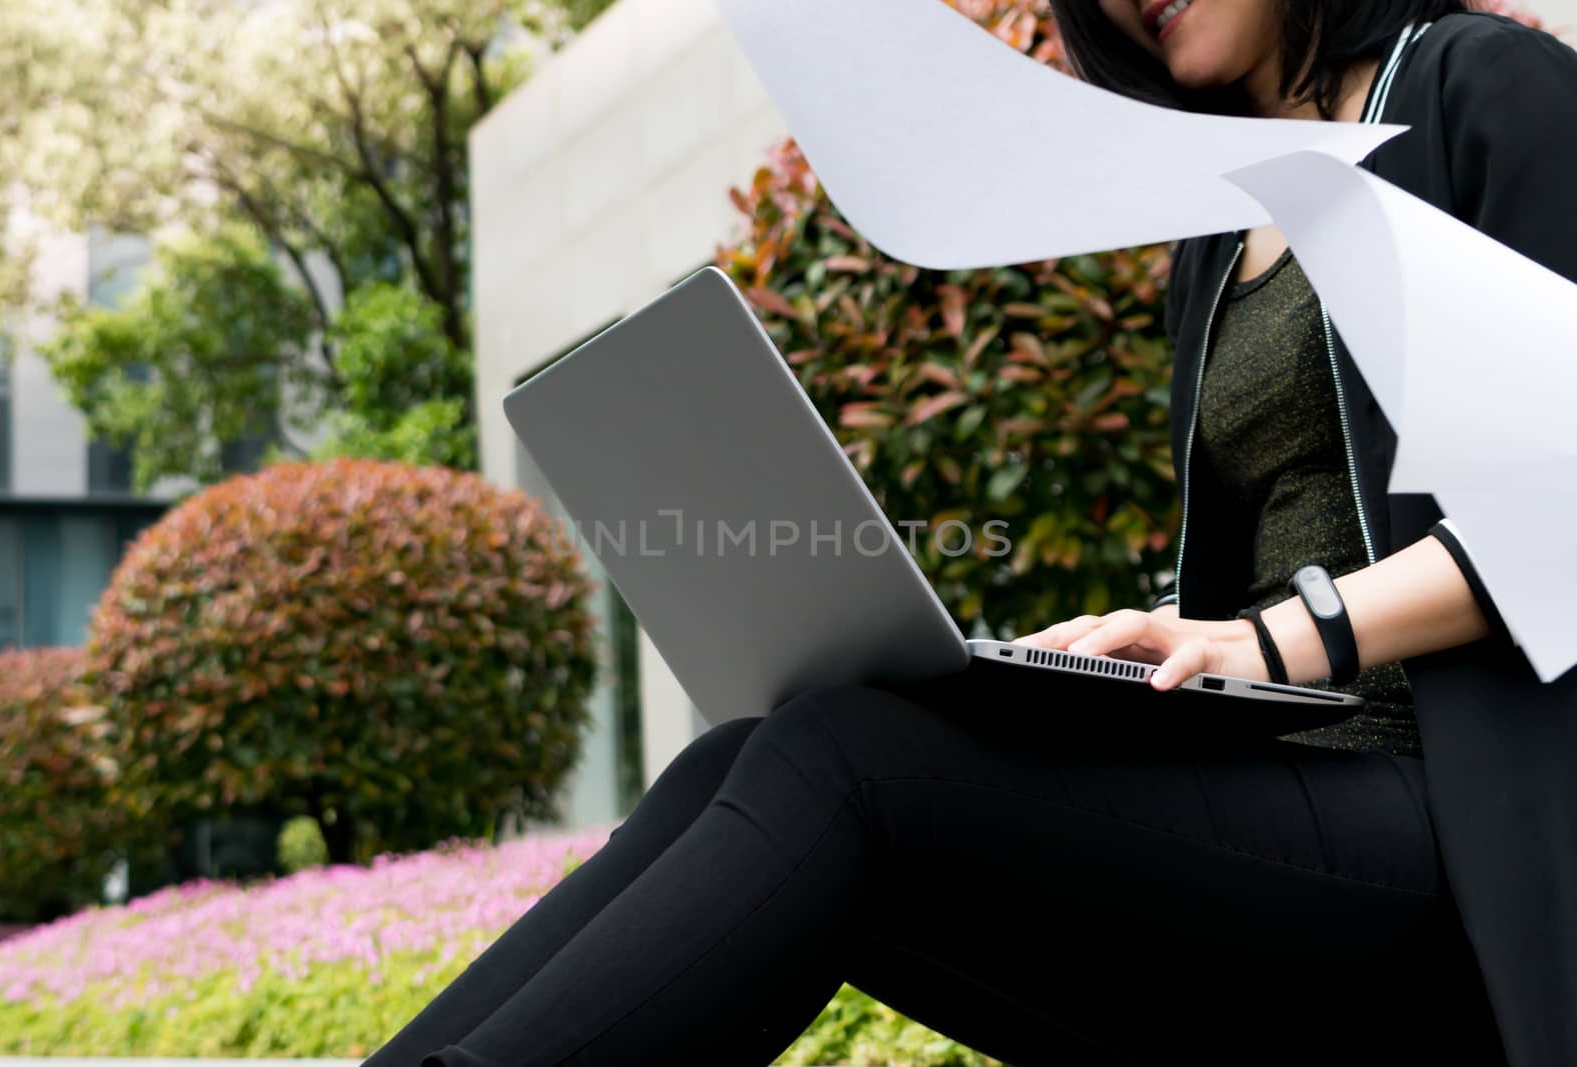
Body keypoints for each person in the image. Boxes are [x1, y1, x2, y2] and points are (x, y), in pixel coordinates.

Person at [362, 3, 1577, 1064]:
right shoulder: (1219, 229)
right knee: (736, 754)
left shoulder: (1483, 86)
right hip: (1288, 804)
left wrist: (1273, 640)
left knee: (850, 759)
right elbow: (1246, 561)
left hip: (1458, 835)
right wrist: (1122, 657)